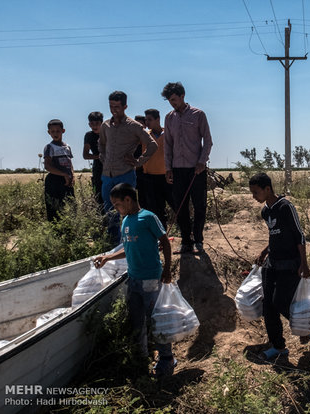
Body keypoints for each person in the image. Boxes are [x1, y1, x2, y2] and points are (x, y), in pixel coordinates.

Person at [93, 183, 175, 377]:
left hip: (150, 279)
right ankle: (141, 356)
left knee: (155, 319)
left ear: (128, 200)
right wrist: (107, 257)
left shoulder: (147, 217)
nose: (115, 208)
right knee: (137, 320)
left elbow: (164, 241)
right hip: (134, 279)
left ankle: (167, 359)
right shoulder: (126, 220)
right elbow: (127, 248)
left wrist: (167, 269)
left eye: (117, 204)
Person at [249, 173, 310, 360]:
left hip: (290, 263)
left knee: (280, 302)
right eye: (252, 192)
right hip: (272, 263)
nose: (254, 196)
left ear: (268, 189)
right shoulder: (265, 211)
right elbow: (275, 235)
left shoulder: (285, 207)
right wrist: (264, 251)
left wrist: (304, 264)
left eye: (256, 192)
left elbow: (298, 236)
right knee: (268, 307)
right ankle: (278, 347)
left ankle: (303, 327)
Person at [99, 91, 158, 245]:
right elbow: (102, 143)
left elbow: (152, 145)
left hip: (125, 174)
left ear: (125, 106)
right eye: (111, 106)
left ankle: (132, 242)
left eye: (117, 107)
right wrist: (103, 156)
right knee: (110, 212)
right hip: (107, 175)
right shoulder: (105, 125)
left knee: (128, 210)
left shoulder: (134, 126)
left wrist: (139, 161)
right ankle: (115, 245)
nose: (114, 110)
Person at [162, 82, 213, 255]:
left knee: (199, 205)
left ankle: (198, 240)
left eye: (174, 99)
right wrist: (168, 168)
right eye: (170, 101)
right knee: (180, 206)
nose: (172, 103)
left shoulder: (198, 115)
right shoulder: (169, 118)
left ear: (182, 96)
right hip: (177, 169)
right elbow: (167, 145)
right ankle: (186, 241)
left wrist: (202, 161)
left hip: (196, 169)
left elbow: (208, 141)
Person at [142, 109, 175, 230]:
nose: (147, 122)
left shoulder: (168, 134)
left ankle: (187, 234)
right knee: (156, 210)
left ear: (158, 119)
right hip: (150, 177)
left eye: (150, 119)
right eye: (146, 120)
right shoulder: (144, 135)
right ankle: (162, 235)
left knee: (176, 205)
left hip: (167, 177)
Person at [43, 119, 74, 221]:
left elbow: (70, 163)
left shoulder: (67, 147)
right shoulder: (49, 147)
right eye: (52, 131)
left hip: (67, 181)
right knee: (54, 208)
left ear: (63, 131)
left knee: (71, 206)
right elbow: (47, 166)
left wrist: (72, 176)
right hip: (54, 180)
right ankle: (55, 232)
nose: (55, 133)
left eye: (58, 131)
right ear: (49, 132)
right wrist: (63, 174)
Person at [83, 111, 104, 208]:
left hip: (112, 167)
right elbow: (85, 155)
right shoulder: (89, 135)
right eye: (92, 124)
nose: (94, 126)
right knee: (98, 195)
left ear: (102, 123)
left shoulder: (108, 133)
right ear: (89, 124)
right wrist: (100, 156)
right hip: (98, 168)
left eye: (97, 124)